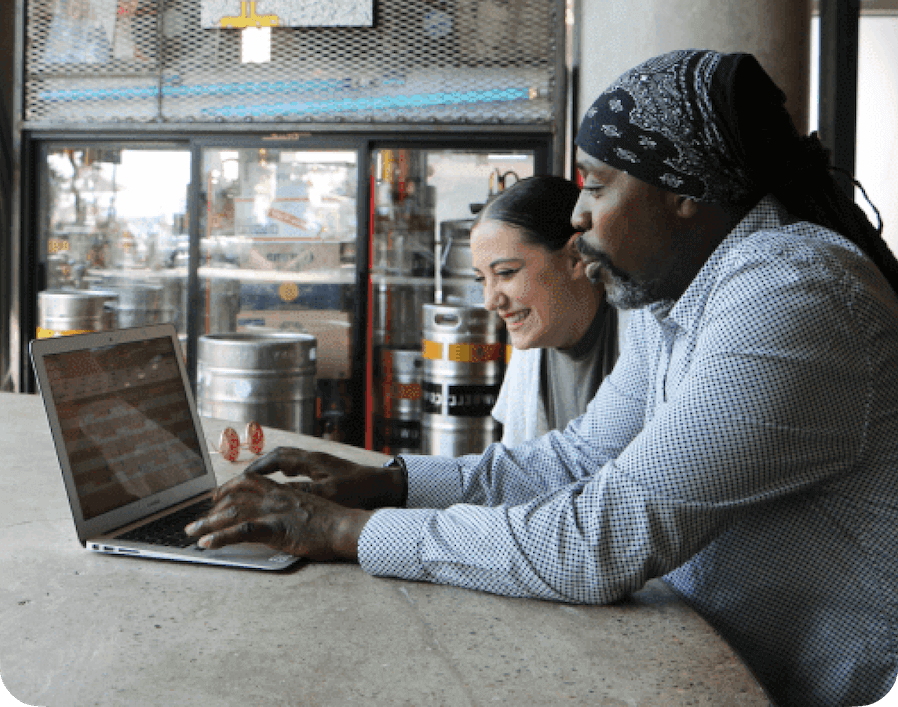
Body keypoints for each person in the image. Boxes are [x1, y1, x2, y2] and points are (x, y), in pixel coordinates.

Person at [186, 49, 898, 707]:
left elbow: (600, 542)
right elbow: (579, 460)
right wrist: (390, 480)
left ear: (683, 192)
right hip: (708, 662)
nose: (579, 214)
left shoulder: (794, 296)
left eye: (596, 185)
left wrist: (343, 529)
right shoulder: (673, 290)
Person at [470, 175, 618, 445]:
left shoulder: (642, 337)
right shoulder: (532, 346)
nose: (490, 301)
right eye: (481, 279)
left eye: (506, 273)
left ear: (576, 256)